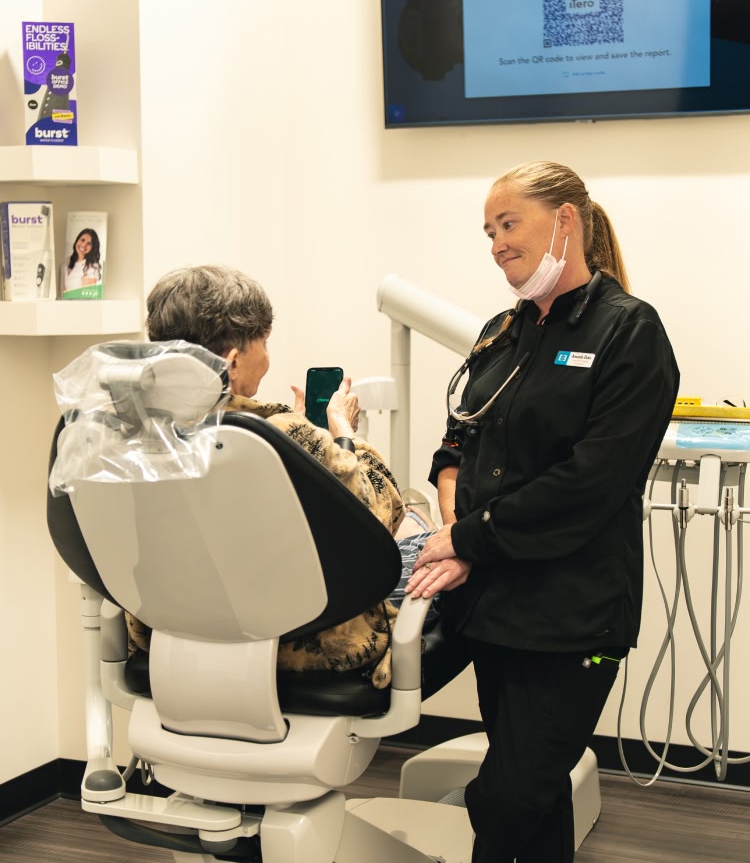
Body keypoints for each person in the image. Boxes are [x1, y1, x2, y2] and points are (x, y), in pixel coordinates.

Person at [405, 161, 680, 863]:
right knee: (540, 791)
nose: (496, 242)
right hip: (495, 604)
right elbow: (455, 443)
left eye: (509, 223)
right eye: (489, 230)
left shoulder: (630, 332)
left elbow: (589, 482)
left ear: (565, 221)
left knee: (508, 796)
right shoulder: (503, 330)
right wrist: (455, 525)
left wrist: (469, 536)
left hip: (574, 614)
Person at [127, 264, 406, 689]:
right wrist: (341, 436)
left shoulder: (132, 435)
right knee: (433, 554)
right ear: (233, 361)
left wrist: (301, 438)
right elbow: (378, 516)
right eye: (264, 343)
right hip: (298, 653)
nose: (268, 356)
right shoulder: (283, 436)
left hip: (171, 643)